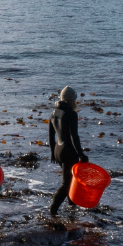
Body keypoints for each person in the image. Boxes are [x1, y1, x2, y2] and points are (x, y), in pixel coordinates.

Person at [48, 85, 89, 216]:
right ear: (72, 100)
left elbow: (50, 135)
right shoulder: (71, 114)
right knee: (67, 185)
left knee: (71, 182)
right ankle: (53, 211)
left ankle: (72, 210)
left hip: (57, 151)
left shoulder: (54, 112)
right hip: (68, 152)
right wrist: (81, 154)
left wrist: (52, 152)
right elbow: (74, 136)